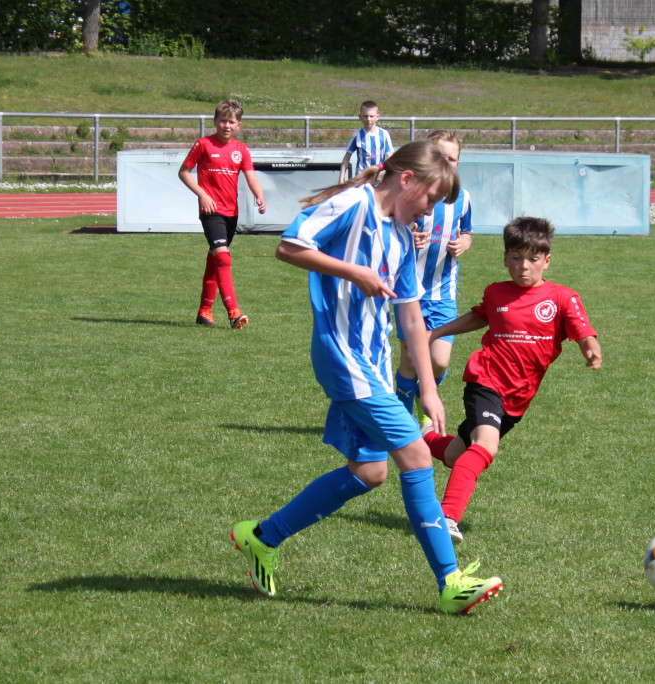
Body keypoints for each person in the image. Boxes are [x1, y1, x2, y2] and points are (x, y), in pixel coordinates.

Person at [230, 141, 502, 615]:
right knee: (416, 456)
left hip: (373, 363)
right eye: (431, 198)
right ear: (406, 180)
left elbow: (413, 319)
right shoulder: (351, 204)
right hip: (342, 356)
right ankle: (450, 581)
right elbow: (289, 246)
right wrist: (353, 271)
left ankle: (261, 536)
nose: (432, 210)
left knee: (371, 472)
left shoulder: (400, 237)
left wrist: (431, 391)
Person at [421, 216, 603, 544]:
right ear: (505, 259)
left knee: (454, 456)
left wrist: (590, 348)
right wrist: (437, 331)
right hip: (485, 381)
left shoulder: (562, 297)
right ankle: (446, 517)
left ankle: (412, 437)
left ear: (546, 261)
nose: (523, 267)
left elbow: (581, 328)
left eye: (533, 259)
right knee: (485, 447)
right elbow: (480, 315)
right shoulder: (496, 292)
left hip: (517, 400)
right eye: (516, 258)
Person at [394, 130, 473, 417]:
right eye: (441, 156)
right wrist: (408, 238)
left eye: (452, 159)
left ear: (458, 163)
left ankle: (423, 394)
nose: (446, 163)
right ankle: (402, 424)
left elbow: (467, 232)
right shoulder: (412, 193)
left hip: (442, 291)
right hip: (408, 292)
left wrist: (463, 243)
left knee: (439, 361)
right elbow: (392, 229)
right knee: (410, 359)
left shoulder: (463, 198)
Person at [178, 98, 267, 329]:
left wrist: (259, 195)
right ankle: (233, 311)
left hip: (231, 213)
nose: (226, 126)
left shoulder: (241, 149)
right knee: (223, 258)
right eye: (223, 121)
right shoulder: (203, 144)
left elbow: (251, 175)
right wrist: (202, 195)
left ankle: (205, 311)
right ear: (215, 121)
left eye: (232, 122)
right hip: (211, 210)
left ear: (238, 125)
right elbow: (184, 172)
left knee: (215, 260)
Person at [338, 100, 394, 183]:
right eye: (365, 116)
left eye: (371, 116)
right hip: (361, 179)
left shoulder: (384, 134)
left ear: (377, 117)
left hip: (379, 179)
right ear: (360, 117)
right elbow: (346, 158)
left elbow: (390, 157)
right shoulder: (356, 135)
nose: (368, 119)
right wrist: (341, 178)